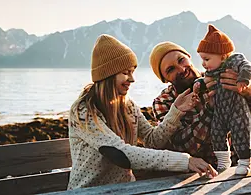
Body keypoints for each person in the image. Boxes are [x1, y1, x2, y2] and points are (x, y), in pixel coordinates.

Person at [67, 34, 217, 190]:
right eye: (125, 72)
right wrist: (186, 161)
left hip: (127, 189)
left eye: (132, 72)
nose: (132, 79)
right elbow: (119, 153)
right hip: (88, 191)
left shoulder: (128, 106)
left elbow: (153, 140)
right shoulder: (83, 111)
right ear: (108, 75)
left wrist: (176, 111)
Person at [149, 40, 251, 170]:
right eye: (171, 69)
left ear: (189, 57)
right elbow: (182, 145)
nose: (181, 69)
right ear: (165, 79)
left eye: (181, 60)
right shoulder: (164, 102)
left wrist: (246, 91)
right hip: (202, 173)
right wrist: (209, 110)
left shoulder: (222, 76)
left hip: (241, 162)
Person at [196, 24, 251, 174]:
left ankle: (245, 163)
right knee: (217, 134)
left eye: (206, 59)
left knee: (241, 134)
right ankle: (223, 161)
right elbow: (202, 80)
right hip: (220, 112)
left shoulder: (233, 62)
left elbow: (246, 66)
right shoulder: (211, 72)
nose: (203, 63)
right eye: (202, 59)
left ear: (222, 56)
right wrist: (197, 85)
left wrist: (243, 80)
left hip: (236, 109)